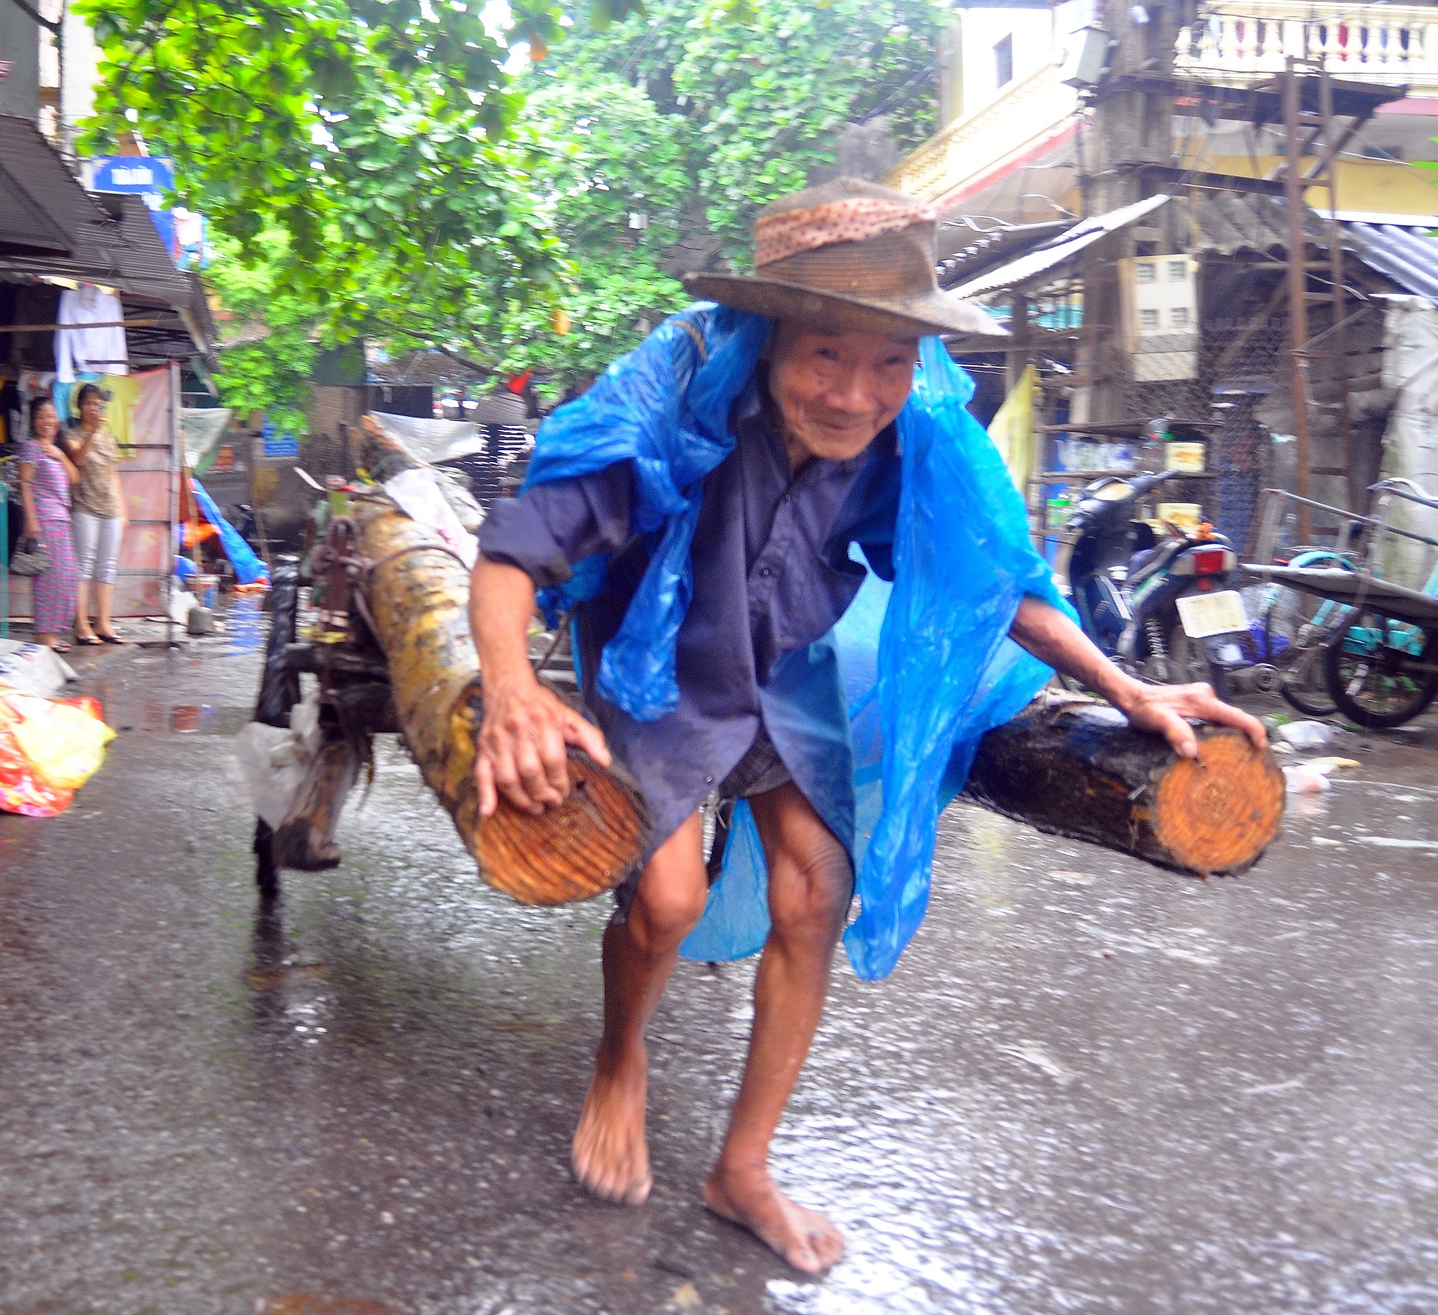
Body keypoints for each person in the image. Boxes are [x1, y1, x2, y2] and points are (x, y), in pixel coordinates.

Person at [468, 179, 1267, 1275]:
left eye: (890, 360)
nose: (856, 394)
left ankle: (742, 1167)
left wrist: (1127, 687)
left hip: (789, 663)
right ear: (772, 335)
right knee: (666, 897)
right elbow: (518, 547)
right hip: (662, 662)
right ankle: (620, 1057)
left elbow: (992, 580)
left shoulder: (916, 431)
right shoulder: (679, 388)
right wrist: (512, 687)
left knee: (817, 889)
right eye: (828, 356)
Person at [62, 382, 127, 644]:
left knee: (107, 567)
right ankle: (80, 625)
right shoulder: (72, 433)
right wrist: (92, 432)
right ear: (80, 406)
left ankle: (103, 623)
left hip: (110, 507)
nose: (94, 408)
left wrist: (123, 508)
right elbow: (77, 459)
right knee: (84, 566)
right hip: (85, 507)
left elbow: (113, 473)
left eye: (98, 404)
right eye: (89, 403)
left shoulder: (108, 437)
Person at [17, 396, 80, 653]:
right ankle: (45, 636)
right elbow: (24, 483)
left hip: (61, 519)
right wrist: (31, 520)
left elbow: (75, 478)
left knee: (67, 577)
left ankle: (53, 632)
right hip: (44, 519)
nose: (47, 421)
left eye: (51, 416)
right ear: (33, 420)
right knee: (48, 579)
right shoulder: (31, 448)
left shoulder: (55, 450)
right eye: (42, 416)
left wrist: (59, 455)